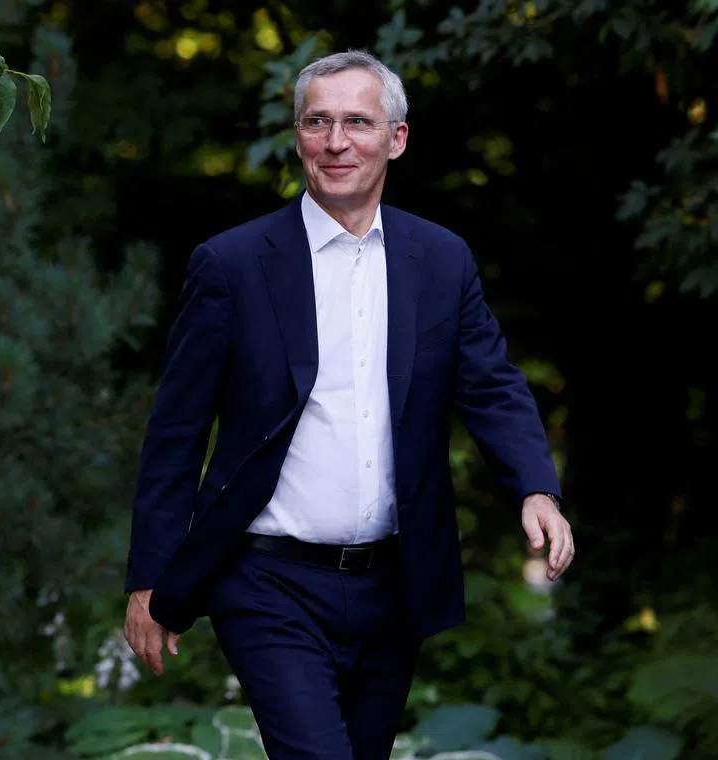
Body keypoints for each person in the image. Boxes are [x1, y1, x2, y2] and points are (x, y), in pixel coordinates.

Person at [123, 49, 574, 760]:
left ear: (395, 138)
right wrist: (149, 577)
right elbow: (176, 431)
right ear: (299, 136)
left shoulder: (442, 259)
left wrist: (536, 485)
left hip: (393, 584)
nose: (337, 142)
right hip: (265, 580)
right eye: (318, 122)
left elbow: (490, 381)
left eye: (357, 122)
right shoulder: (233, 265)